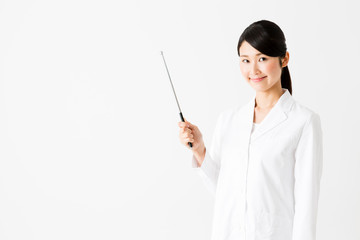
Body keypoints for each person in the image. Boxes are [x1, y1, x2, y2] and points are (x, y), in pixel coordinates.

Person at [178, 20, 323, 240]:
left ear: (284, 59)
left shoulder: (303, 122)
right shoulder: (229, 120)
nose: (253, 70)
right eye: (245, 60)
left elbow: (306, 205)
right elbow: (225, 192)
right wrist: (199, 150)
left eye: (262, 59)